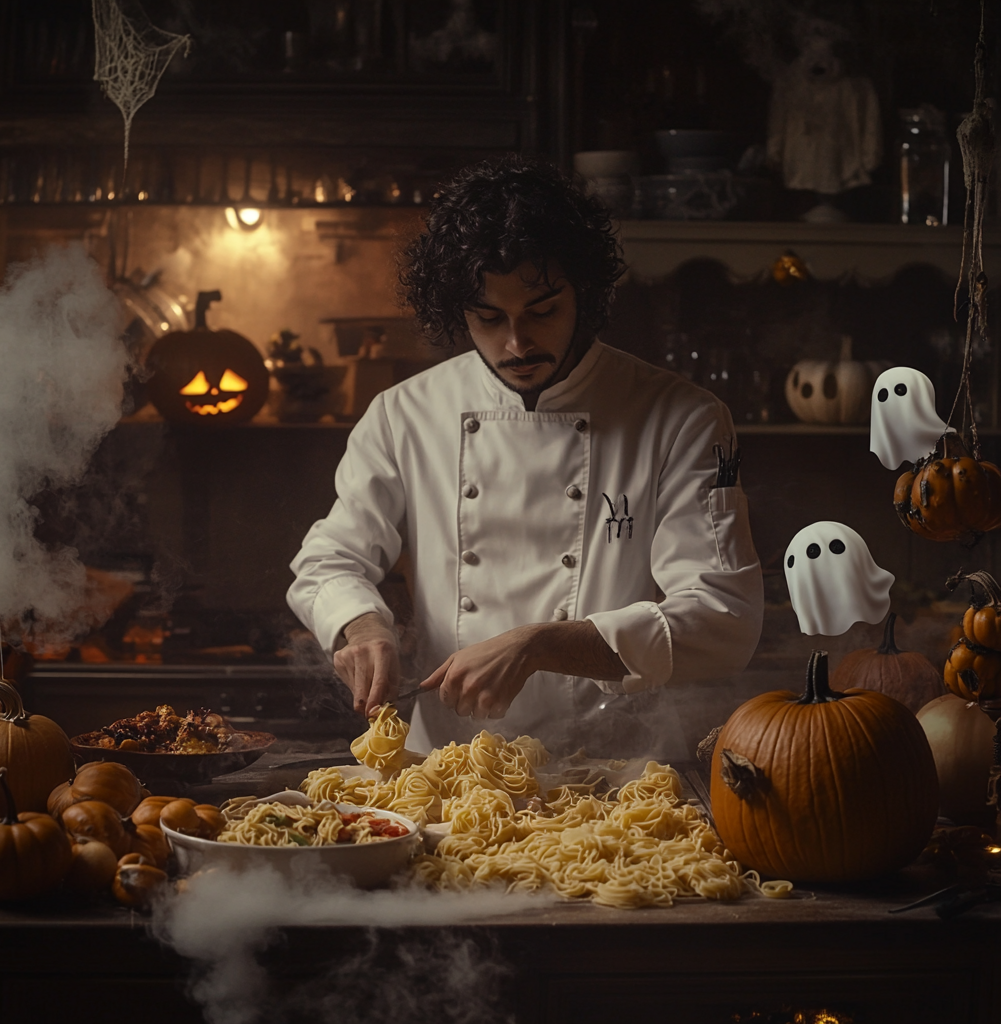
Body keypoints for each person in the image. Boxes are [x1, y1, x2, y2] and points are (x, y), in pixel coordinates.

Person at [288, 155, 763, 756]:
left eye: (542, 311)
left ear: (583, 293)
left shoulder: (683, 418)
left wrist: (541, 644)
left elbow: (723, 619)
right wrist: (364, 625)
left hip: (615, 772)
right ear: (455, 309)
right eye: (488, 318)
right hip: (447, 769)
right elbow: (328, 559)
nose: (516, 342)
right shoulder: (404, 413)